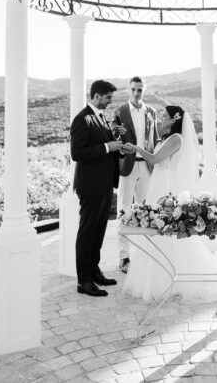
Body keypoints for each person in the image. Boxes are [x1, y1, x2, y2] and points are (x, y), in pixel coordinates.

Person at [122, 105, 217, 302]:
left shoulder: (177, 139)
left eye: (165, 116)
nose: (161, 119)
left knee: (165, 229)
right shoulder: (167, 138)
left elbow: (154, 158)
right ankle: (155, 275)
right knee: (156, 229)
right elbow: (154, 162)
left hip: (166, 185)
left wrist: (136, 148)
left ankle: (172, 275)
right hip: (157, 183)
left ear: (174, 119)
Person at [71, 79, 131, 297]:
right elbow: (78, 153)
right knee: (87, 233)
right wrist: (108, 146)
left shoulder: (102, 118)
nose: (110, 101)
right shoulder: (82, 119)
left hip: (105, 184)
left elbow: (107, 147)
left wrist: (116, 141)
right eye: (107, 97)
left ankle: (94, 272)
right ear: (96, 96)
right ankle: (83, 281)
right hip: (90, 186)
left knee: (98, 232)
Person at [115, 76, 158, 273]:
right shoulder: (120, 112)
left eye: (139, 90)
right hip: (128, 166)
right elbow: (114, 138)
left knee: (145, 209)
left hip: (146, 167)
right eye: (133, 89)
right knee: (123, 210)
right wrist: (124, 149)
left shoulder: (152, 112)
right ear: (128, 90)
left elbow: (154, 139)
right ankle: (124, 256)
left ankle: (142, 254)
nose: (136, 93)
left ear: (144, 90)